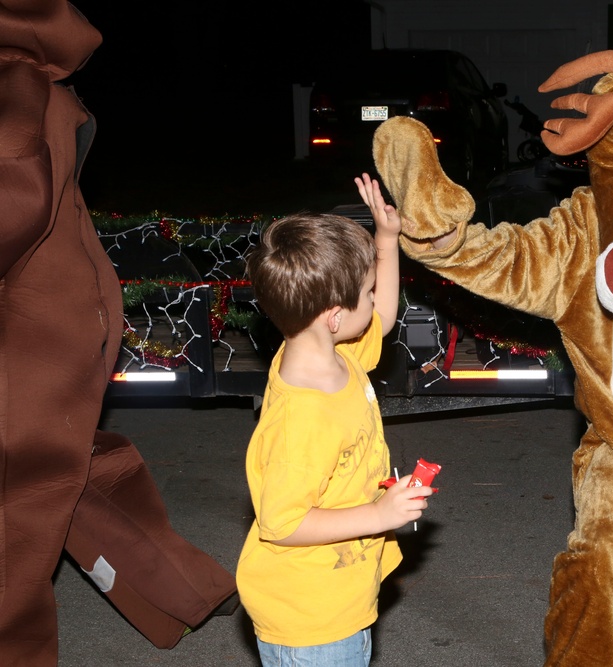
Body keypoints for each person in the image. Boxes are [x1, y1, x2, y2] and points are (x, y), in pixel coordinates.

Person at [1, 2, 237, 664]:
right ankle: (183, 591)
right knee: (63, 472)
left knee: (16, 523)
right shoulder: (31, 78)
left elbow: (12, 204)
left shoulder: (11, 83)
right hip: (51, 325)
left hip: (28, 337)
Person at [237, 174, 435, 666]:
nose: (373, 300)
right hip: (310, 617)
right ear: (331, 314)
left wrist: (385, 241)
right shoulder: (303, 417)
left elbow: (382, 319)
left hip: (338, 594)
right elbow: (281, 523)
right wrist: (380, 516)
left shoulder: (328, 352)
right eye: (365, 292)